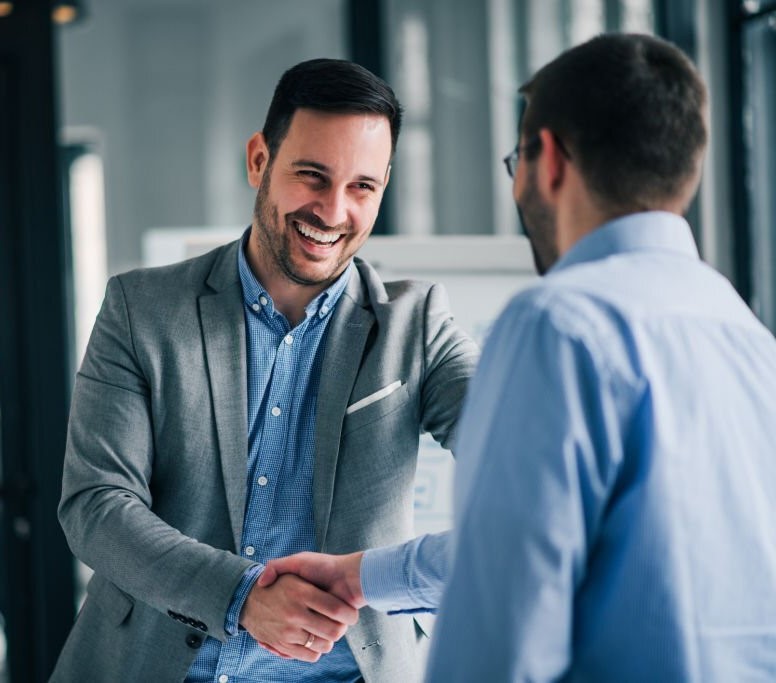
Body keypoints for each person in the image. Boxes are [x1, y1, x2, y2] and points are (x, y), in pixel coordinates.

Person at [259, 33, 776, 681]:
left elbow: (501, 617)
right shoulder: (749, 339)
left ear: (550, 160)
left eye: (516, 161)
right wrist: (362, 575)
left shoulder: (559, 325)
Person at [51, 58, 479, 682]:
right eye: (312, 175)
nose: (333, 211)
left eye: (363, 187)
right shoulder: (140, 310)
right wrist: (241, 595)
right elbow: (96, 506)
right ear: (259, 160)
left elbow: (524, 464)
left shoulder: (417, 326)